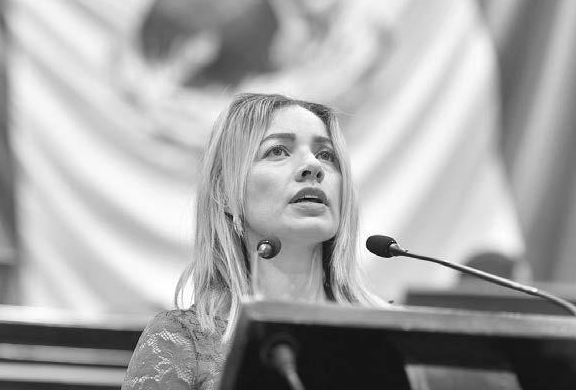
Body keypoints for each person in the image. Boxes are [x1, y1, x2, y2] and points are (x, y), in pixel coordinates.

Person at [122, 93, 385, 390]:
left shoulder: (390, 335)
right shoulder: (182, 342)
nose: (313, 166)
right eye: (277, 151)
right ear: (225, 192)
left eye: (326, 154)